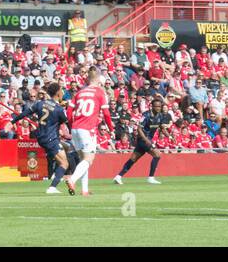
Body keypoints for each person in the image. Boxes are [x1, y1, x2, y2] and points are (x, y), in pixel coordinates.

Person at [10, 82, 71, 194]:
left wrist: (12, 121)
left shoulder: (39, 103)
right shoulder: (58, 109)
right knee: (64, 163)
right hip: (50, 138)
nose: (62, 92)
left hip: (41, 137)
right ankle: (52, 186)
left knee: (66, 148)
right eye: (61, 90)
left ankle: (55, 173)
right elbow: (67, 123)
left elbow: (25, 113)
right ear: (58, 92)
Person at [62, 67, 113, 196]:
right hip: (87, 129)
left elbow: (69, 111)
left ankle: (84, 190)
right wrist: (111, 129)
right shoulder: (100, 92)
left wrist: (71, 124)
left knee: (83, 159)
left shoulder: (80, 92)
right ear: (99, 80)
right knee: (89, 160)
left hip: (75, 128)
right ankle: (72, 179)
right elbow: (106, 113)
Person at [113, 96, 169, 185]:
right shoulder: (146, 115)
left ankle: (118, 176)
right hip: (143, 139)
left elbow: (162, 127)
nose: (158, 108)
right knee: (157, 155)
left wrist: (169, 136)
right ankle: (151, 178)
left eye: (159, 106)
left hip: (146, 140)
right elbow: (139, 129)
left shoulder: (160, 115)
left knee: (133, 159)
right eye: (156, 106)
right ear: (152, 106)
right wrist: (146, 140)